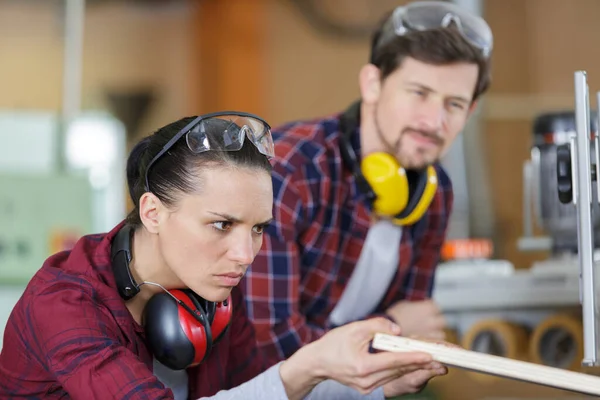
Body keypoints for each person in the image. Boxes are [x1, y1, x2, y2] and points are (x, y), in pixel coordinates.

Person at [0, 112, 449, 400]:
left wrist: (377, 383)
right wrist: (308, 364)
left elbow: (261, 388)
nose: (245, 253)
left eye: (257, 229)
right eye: (221, 224)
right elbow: (285, 381)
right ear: (152, 212)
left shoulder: (210, 293)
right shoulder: (64, 303)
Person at [240, 0, 493, 367]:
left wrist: (398, 336)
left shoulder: (436, 193)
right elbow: (273, 348)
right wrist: (389, 329)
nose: (434, 121)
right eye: (419, 93)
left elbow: (413, 346)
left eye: (454, 104)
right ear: (373, 84)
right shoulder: (289, 171)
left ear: (469, 111)